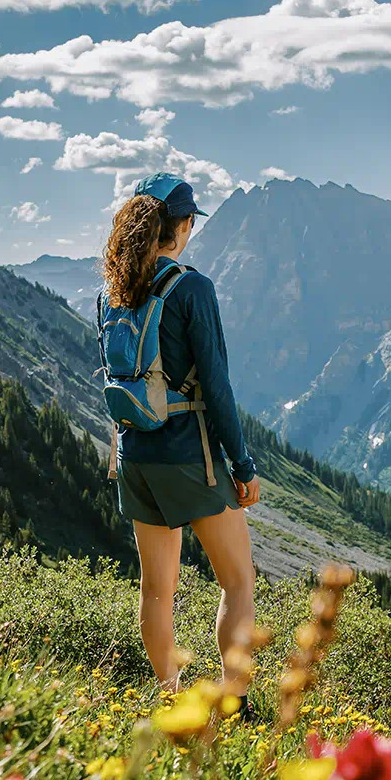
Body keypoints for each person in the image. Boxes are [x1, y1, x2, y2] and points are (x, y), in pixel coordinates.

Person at [98, 172, 261, 694]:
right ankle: (233, 703)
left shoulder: (113, 291)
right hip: (190, 456)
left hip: (134, 455)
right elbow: (216, 385)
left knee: (156, 592)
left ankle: (170, 696)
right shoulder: (191, 288)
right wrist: (242, 464)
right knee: (237, 580)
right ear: (184, 225)